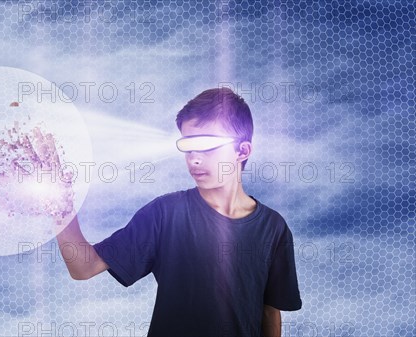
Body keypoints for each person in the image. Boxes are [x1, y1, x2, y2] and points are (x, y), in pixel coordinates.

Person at [54, 88, 302, 337]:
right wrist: (60, 203)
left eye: (208, 146)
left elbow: (270, 312)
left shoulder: (273, 228)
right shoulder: (165, 215)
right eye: (188, 146)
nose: (194, 159)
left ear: (242, 151)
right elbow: (83, 268)